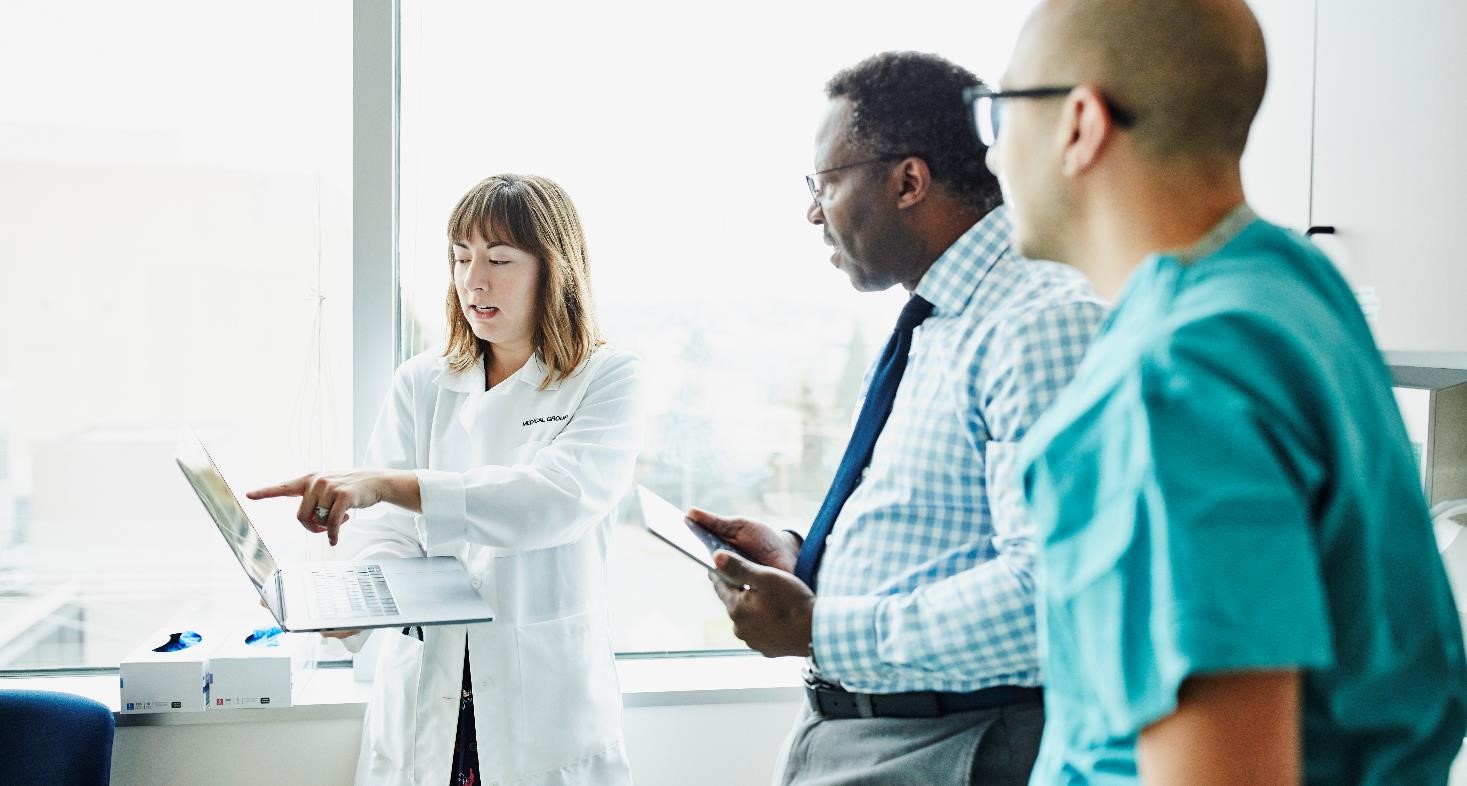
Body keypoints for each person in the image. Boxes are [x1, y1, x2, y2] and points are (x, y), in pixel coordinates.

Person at [979, 1, 1467, 783]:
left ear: (1078, 123)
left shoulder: (1174, 375)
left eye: (998, 114)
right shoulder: (1290, 283)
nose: (995, 158)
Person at [690, 52, 1106, 786]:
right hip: (871, 736)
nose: (813, 211)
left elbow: (1049, 594)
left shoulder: (1038, 324)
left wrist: (820, 627)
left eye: (824, 184)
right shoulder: (938, 320)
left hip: (956, 746)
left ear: (907, 181)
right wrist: (803, 558)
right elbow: (937, 529)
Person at [248, 174, 642, 786]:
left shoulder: (607, 376)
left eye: (500, 260)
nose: (474, 281)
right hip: (426, 692)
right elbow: (384, 532)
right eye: (461, 259)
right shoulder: (423, 381)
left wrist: (390, 484)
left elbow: (554, 501)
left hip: (541, 702)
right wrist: (355, 604)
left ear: (554, 269)